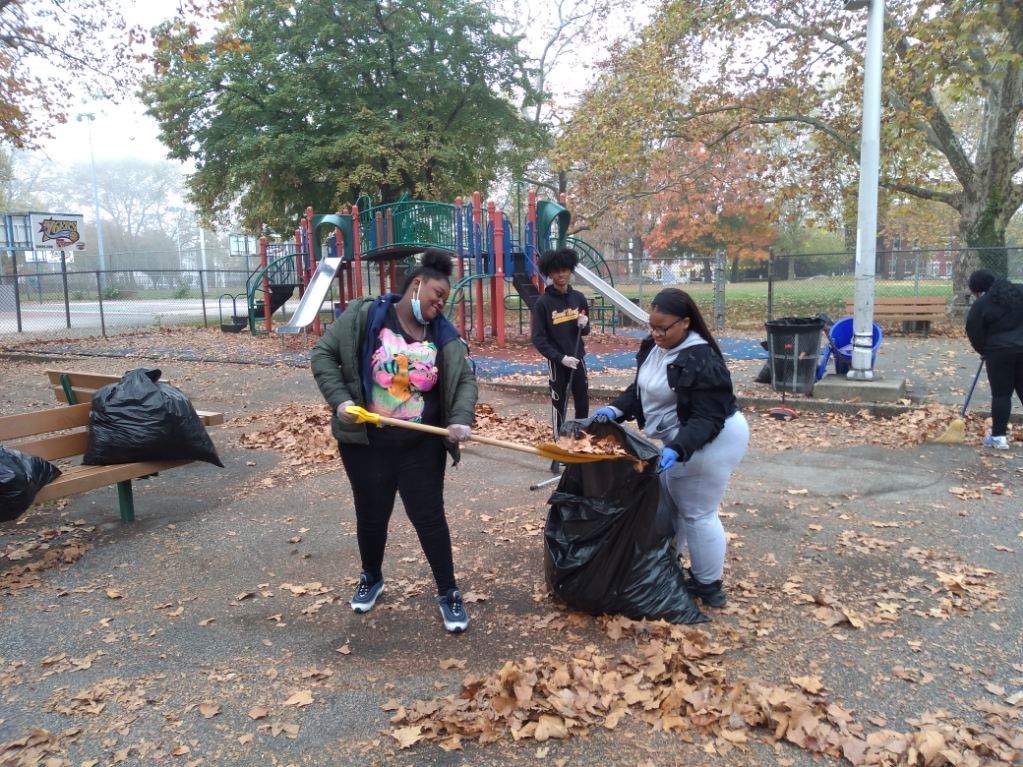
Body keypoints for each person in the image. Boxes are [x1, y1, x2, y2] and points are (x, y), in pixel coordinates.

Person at [311, 249, 478, 633]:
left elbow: (465, 381)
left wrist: (459, 419)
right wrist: (341, 402)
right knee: (371, 514)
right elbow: (323, 355)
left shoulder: (444, 335)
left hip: (421, 446)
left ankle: (448, 592)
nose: (440, 304)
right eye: (436, 294)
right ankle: (372, 576)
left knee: (429, 518)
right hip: (367, 444)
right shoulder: (365, 316)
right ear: (416, 284)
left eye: (445, 300)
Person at [587, 288, 748, 607]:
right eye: (652, 327)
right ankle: (668, 563)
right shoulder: (654, 347)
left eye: (664, 328)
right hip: (681, 438)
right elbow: (640, 389)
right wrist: (616, 409)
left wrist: (678, 449)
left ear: (685, 323)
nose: (656, 334)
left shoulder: (701, 358)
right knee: (671, 503)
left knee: (698, 512)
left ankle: (708, 585)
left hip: (710, 440)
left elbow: (706, 418)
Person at [530, 247, 590, 470]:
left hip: (578, 359)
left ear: (570, 271)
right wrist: (560, 357)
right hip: (558, 364)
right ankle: (561, 449)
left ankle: (580, 443)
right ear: (550, 274)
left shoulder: (579, 298)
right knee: (559, 405)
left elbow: (584, 331)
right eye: (556, 272)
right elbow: (538, 338)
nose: (561, 275)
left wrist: (585, 325)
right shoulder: (543, 303)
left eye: (565, 270)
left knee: (582, 402)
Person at [965, 268, 1023, 450]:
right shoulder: (1019, 291)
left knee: (1001, 395)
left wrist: (984, 350)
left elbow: (973, 331)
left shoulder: (982, 304)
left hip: (998, 353)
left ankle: (999, 437)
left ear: (979, 289)